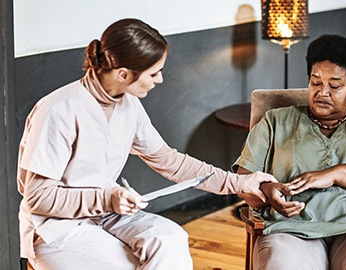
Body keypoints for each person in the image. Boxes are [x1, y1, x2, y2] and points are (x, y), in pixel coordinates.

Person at [17, 18, 277, 270]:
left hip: (107, 213)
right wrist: (108, 198)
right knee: (129, 265)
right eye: (154, 72)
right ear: (123, 73)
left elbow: (169, 161)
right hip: (53, 227)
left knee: (172, 240)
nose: (160, 79)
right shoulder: (58, 110)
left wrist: (241, 182)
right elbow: (37, 198)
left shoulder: (129, 104)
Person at [233, 34, 346, 270]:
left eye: (335, 85)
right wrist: (268, 190)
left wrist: (334, 174)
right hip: (292, 228)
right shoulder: (275, 122)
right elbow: (242, 179)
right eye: (315, 82)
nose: (322, 92)